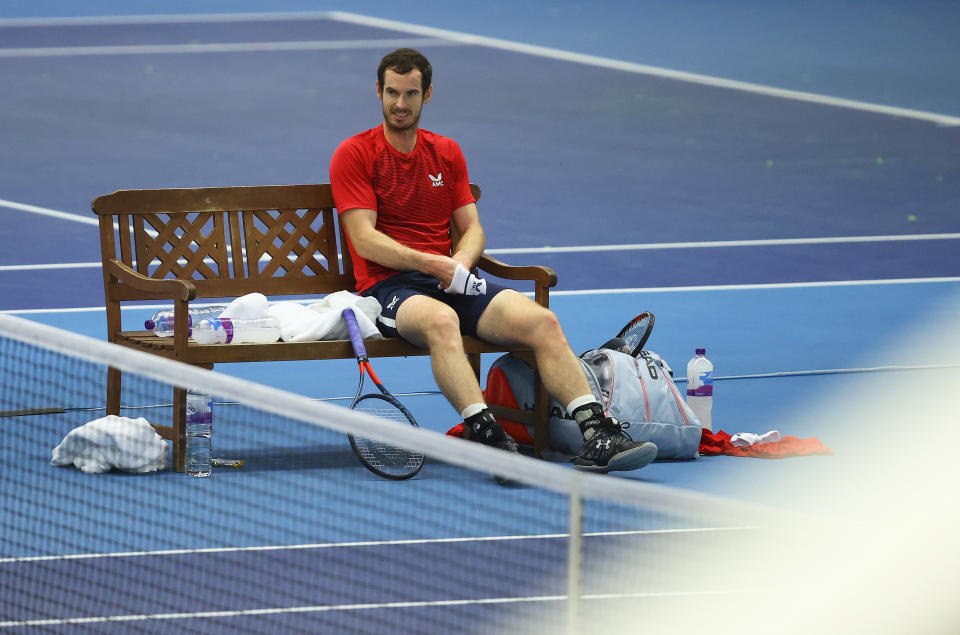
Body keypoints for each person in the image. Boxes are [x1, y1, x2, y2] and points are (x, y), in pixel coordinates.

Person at [329, 48, 656, 474]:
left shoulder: (446, 152)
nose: (400, 104)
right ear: (378, 91)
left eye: (411, 94)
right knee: (442, 323)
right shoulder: (355, 153)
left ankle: (597, 435)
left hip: (450, 281)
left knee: (542, 322)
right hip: (391, 288)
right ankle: (489, 438)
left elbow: (473, 229)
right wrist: (433, 264)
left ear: (428, 95)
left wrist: (461, 262)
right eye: (392, 92)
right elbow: (364, 240)